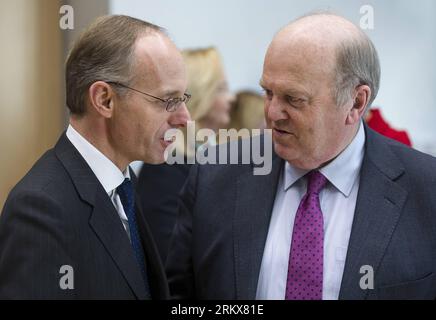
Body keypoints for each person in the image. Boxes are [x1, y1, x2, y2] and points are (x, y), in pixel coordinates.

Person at [166, 13, 436, 300]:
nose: (271, 113)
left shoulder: (426, 189)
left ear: (356, 102)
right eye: (268, 93)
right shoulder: (216, 175)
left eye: (294, 99)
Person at [0, 15, 190, 299]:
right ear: (104, 100)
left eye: (183, 99)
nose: (184, 119)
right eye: (167, 101)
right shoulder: (41, 209)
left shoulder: (123, 184)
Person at [137, 47, 234, 262]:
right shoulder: (166, 168)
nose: (231, 97)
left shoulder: (208, 157)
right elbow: (168, 254)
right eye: (222, 88)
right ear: (202, 95)